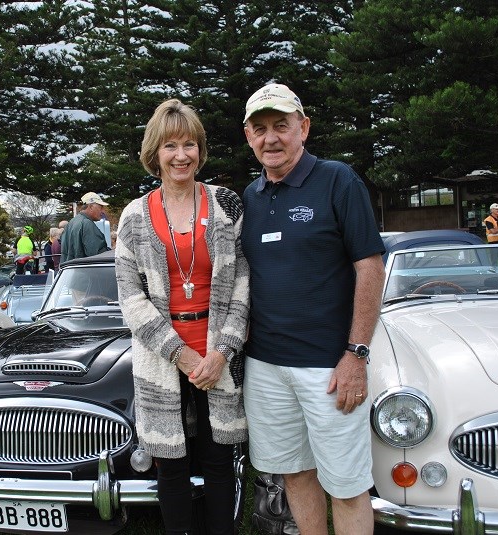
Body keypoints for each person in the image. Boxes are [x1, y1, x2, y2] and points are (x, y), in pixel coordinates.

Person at [240, 83, 385, 535]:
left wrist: (356, 354)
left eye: (281, 125)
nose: (271, 138)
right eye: (260, 129)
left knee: (346, 486)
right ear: (249, 137)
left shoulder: (338, 180)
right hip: (265, 366)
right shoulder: (251, 196)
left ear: (303, 128)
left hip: (330, 368)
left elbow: (370, 268)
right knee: (296, 476)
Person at [114, 98, 250, 535]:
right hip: (161, 361)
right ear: (155, 152)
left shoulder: (226, 205)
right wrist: (183, 356)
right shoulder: (134, 217)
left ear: (200, 151)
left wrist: (220, 353)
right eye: (170, 145)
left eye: (190, 144)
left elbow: (244, 286)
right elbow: (131, 299)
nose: (181, 155)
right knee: (169, 467)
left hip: (219, 358)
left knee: (217, 463)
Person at [59, 193, 109, 263]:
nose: (103, 211)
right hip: (84, 272)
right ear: (91, 207)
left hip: (70, 271)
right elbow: (98, 256)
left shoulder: (71, 223)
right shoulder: (87, 224)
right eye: (101, 207)